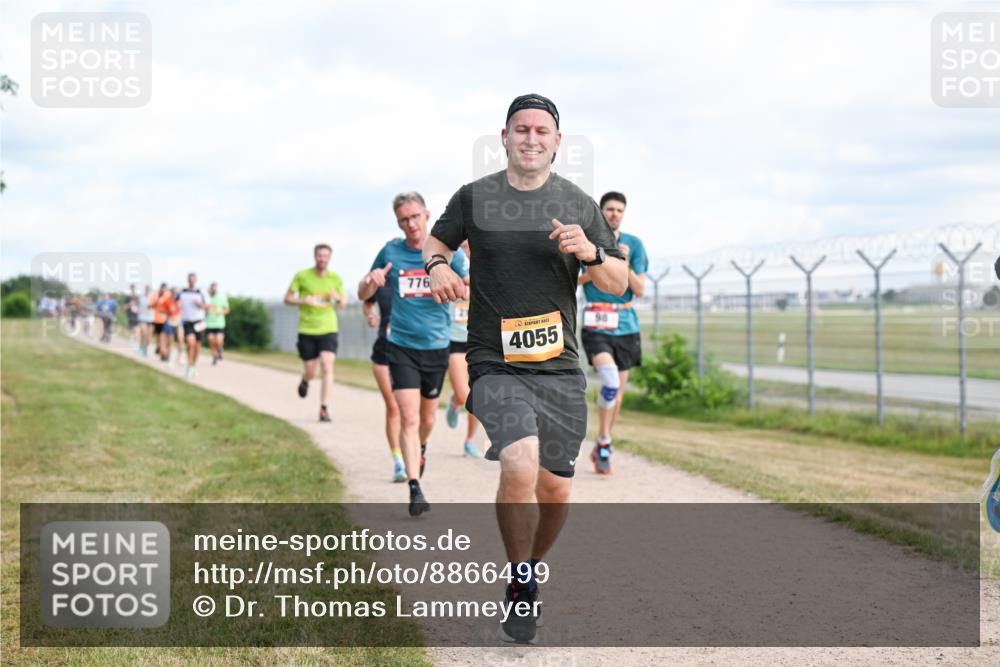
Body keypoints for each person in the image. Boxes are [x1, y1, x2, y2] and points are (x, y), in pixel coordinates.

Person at [424, 94, 627, 643]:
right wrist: (439, 264)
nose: (531, 138)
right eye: (521, 129)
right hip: (493, 359)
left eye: (542, 130)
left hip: (559, 366)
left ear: (557, 142)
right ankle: (518, 579)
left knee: (555, 490)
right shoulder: (475, 197)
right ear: (505, 137)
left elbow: (617, 282)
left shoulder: (580, 204)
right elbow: (436, 242)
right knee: (518, 461)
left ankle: (529, 570)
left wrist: (590, 252)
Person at [358, 192, 468, 517]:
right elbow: (363, 293)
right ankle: (415, 488)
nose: (411, 224)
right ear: (398, 222)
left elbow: (464, 289)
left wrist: (450, 286)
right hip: (401, 345)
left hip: (436, 345)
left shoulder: (446, 252)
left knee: (427, 419)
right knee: (408, 416)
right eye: (404, 219)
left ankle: (420, 449)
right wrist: (371, 282)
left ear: (426, 215)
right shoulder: (390, 251)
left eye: (415, 217)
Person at [578, 191, 647, 475]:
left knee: (616, 394)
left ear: (624, 213)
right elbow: (576, 278)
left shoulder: (634, 244)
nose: (614, 214)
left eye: (619, 210)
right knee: (608, 382)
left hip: (626, 325)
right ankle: (604, 442)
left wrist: (625, 264)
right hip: (596, 323)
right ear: (601, 212)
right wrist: (600, 259)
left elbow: (640, 289)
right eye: (609, 209)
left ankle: (604, 440)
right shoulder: (588, 241)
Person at [285, 244, 347, 422]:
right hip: (307, 329)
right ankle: (305, 380)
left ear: (330, 258)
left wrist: (338, 299)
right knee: (311, 371)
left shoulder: (336, 278)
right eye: (320, 256)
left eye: (326, 256)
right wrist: (302, 300)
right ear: (315, 256)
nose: (322, 259)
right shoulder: (302, 276)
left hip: (328, 328)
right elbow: (287, 298)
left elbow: (343, 304)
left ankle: (324, 408)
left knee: (328, 365)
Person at [364, 282, 405, 482]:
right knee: (393, 405)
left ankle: (416, 450)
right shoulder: (382, 280)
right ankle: (398, 461)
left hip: (412, 352)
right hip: (384, 350)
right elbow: (367, 301)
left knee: (414, 410)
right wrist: (370, 314)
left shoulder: (420, 271)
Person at [445, 240, 481, 458]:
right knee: (464, 393)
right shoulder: (449, 269)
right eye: (463, 246)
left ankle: (469, 440)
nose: (468, 250)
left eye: (471, 245)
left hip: (478, 340)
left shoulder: (486, 268)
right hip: (455, 341)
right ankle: (455, 401)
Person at [178, 273, 208, 379]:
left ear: (196, 280)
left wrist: (200, 305)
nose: (191, 281)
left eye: (193, 279)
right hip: (187, 321)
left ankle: (193, 365)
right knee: (190, 343)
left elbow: (208, 306)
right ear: (187, 280)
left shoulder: (201, 292)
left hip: (199, 321)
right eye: (190, 279)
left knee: (197, 346)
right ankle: (189, 365)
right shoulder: (182, 291)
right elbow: (174, 302)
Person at [204, 282, 230, 365]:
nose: (213, 290)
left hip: (219, 323)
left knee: (219, 340)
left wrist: (221, 313)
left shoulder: (222, 297)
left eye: (215, 288)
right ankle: (214, 356)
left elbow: (227, 309)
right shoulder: (206, 298)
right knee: (211, 340)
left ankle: (220, 350)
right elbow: (203, 307)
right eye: (212, 288)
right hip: (209, 323)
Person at [136, 285, 155, 356]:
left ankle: (145, 350)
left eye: (149, 289)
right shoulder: (141, 297)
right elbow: (138, 306)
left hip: (151, 319)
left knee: (149, 338)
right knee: (144, 333)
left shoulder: (153, 298)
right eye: (147, 289)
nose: (148, 291)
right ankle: (141, 347)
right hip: (142, 318)